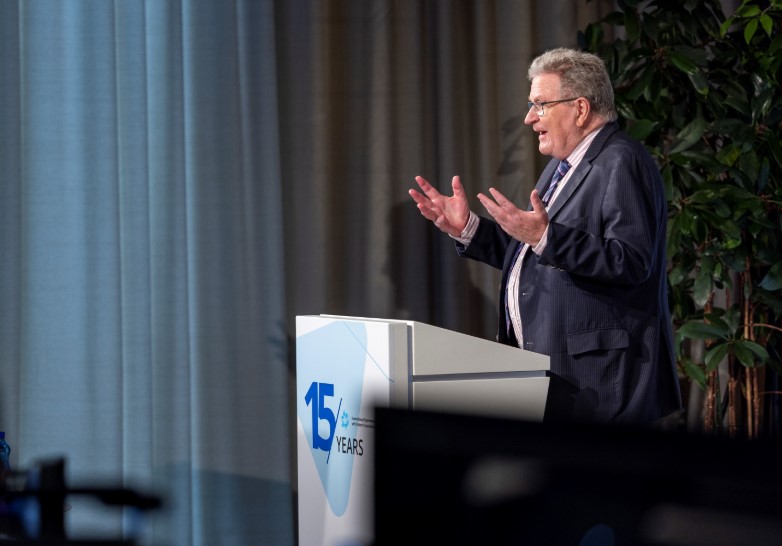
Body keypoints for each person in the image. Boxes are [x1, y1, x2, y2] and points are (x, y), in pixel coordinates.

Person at [409, 47, 682, 424]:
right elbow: (535, 252)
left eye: (540, 105)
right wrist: (469, 229)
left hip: (603, 382)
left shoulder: (621, 160)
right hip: (560, 374)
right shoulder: (563, 166)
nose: (528, 118)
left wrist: (546, 237)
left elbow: (631, 261)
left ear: (580, 108)